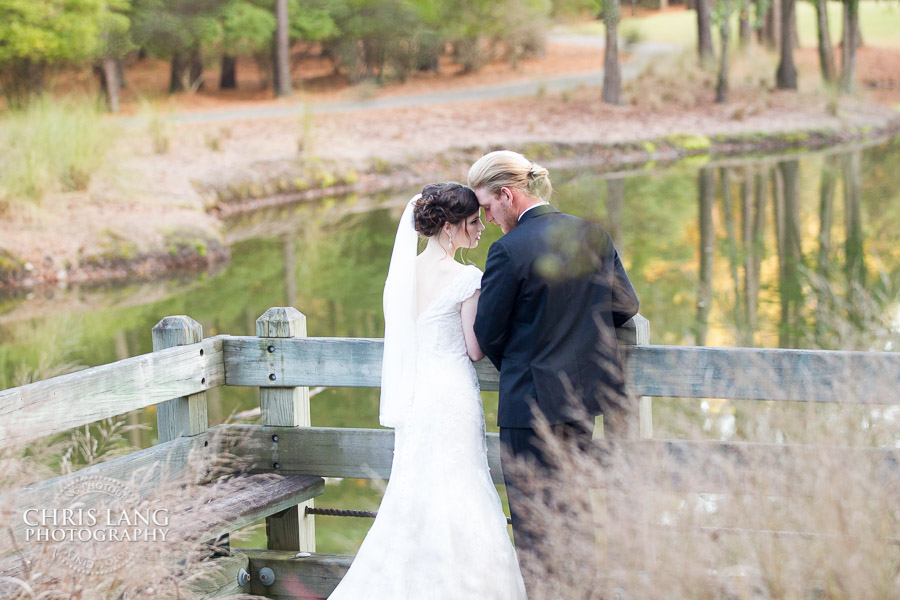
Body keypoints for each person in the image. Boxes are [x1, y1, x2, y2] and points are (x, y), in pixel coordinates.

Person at [327, 182, 526, 599]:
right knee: (461, 487)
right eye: (473, 223)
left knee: (415, 489)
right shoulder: (467, 277)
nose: (480, 230)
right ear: (450, 228)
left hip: (418, 394)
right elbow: (474, 349)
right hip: (451, 393)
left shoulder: (403, 275)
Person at [468, 150, 640, 597]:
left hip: (528, 408)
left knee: (533, 524)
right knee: (577, 514)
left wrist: (524, 361)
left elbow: (486, 333)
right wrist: (581, 337)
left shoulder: (507, 251)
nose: (486, 219)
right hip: (583, 403)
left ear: (507, 195)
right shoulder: (591, 234)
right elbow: (625, 307)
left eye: (487, 207)